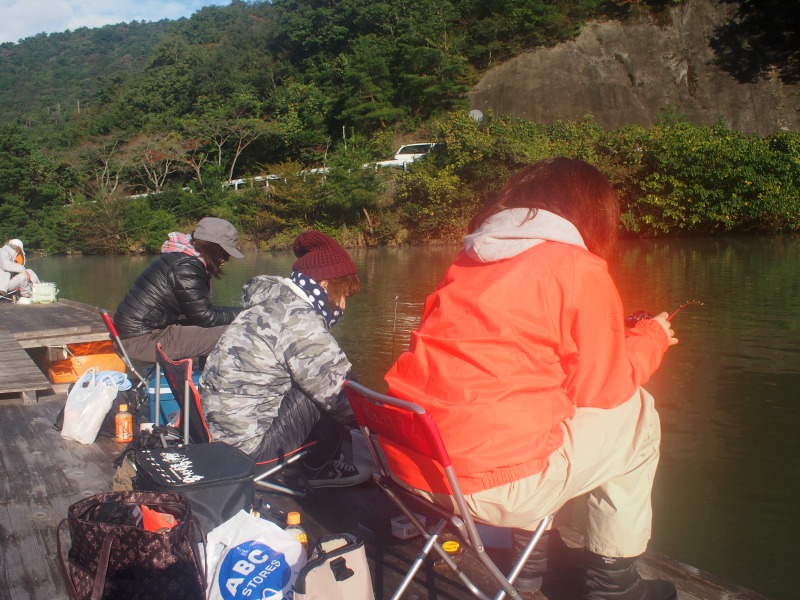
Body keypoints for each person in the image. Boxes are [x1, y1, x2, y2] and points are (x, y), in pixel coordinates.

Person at [384, 157, 679, 600]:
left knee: (537, 407)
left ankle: (530, 564)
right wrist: (650, 338)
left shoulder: (466, 260)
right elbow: (606, 388)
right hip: (490, 487)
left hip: (413, 470)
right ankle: (614, 585)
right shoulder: (578, 267)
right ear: (591, 215)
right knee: (638, 414)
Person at [199, 229, 370, 489]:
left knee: (313, 376)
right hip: (247, 454)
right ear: (324, 284)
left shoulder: (269, 305)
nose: (343, 305)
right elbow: (343, 398)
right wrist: (382, 427)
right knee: (334, 389)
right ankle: (319, 470)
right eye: (343, 293)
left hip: (219, 438)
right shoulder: (298, 319)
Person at [113, 217, 244, 363]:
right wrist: (248, 312)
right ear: (214, 249)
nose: (226, 259)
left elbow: (200, 313)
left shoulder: (181, 258)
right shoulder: (185, 267)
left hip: (138, 334)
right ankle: (213, 381)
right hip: (142, 341)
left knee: (223, 326)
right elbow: (206, 317)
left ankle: (206, 376)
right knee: (234, 331)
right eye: (224, 254)